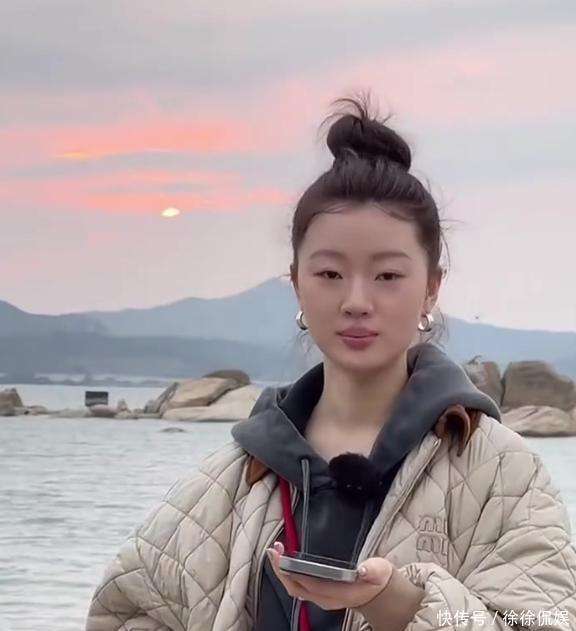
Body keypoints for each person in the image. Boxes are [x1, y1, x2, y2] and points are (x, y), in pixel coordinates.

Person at [84, 94, 576, 631]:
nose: (356, 301)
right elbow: (128, 609)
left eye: (387, 276)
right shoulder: (237, 476)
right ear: (297, 284)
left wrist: (398, 604)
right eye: (330, 275)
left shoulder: (500, 472)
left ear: (432, 288)